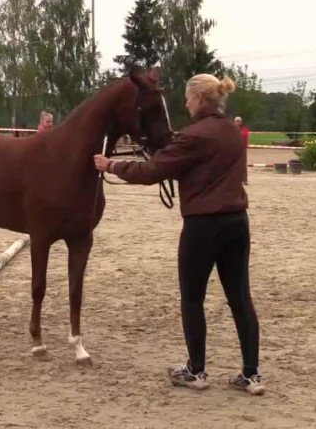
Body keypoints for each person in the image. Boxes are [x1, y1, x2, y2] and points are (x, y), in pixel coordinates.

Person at [93, 74, 264, 396]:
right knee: (240, 298)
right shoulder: (232, 132)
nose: (185, 105)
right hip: (237, 221)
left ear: (199, 99)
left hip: (203, 225)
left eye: (187, 99)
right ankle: (251, 374)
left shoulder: (193, 136)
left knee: (192, 298)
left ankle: (195, 370)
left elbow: (151, 171)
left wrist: (110, 165)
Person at [234, 116, 249, 185]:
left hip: (242, 149)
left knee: (243, 164)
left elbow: (244, 135)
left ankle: (244, 180)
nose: (237, 123)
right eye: (236, 121)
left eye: (238, 121)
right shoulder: (231, 128)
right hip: (233, 148)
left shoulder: (244, 129)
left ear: (241, 122)